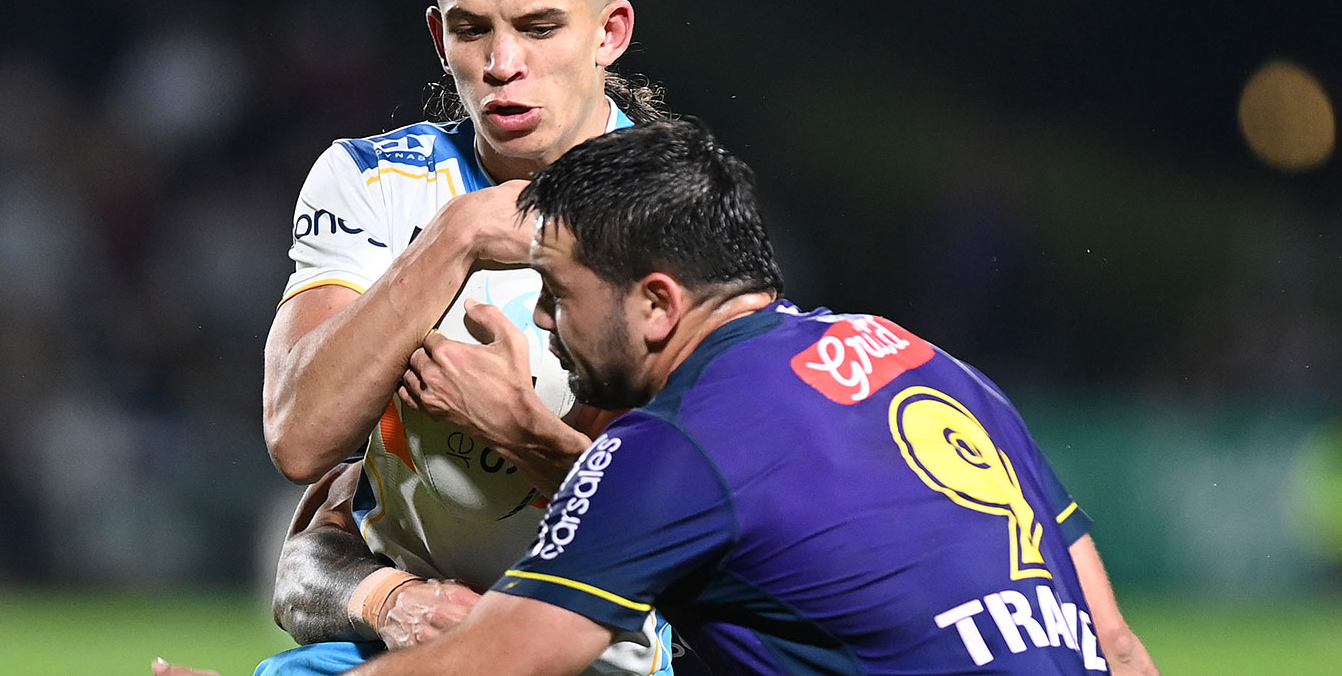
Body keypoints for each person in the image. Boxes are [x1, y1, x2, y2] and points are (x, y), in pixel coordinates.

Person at [332, 117, 1159, 676]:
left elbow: (497, 661)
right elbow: (1116, 644)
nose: (545, 317)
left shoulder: (676, 441)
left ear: (656, 304)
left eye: (558, 290)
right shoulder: (925, 362)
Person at [221, 0, 677, 675]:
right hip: (404, 644)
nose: (503, 65)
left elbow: (691, 519)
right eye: (473, 29)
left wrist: (517, 428)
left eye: (539, 28)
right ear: (439, 35)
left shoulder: (679, 210)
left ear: (610, 33)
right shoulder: (368, 181)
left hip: (604, 658)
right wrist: (457, 235)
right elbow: (300, 436)